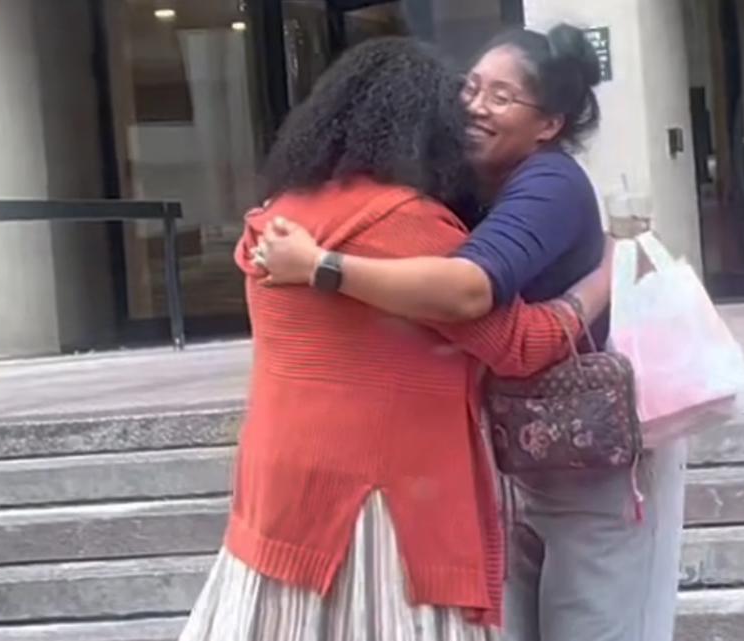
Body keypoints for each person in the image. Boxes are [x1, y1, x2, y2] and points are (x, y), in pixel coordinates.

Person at [255, 25, 686, 641]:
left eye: (503, 98)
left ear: (549, 125)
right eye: (472, 88)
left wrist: (322, 267)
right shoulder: (451, 188)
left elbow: (468, 291)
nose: (476, 107)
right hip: (518, 453)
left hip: (595, 455)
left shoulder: (549, 183)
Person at [178, 37, 613, 641]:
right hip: (379, 499)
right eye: (464, 98)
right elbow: (516, 341)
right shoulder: (403, 224)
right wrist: (599, 284)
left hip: (278, 488)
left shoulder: (282, 211)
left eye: (499, 95)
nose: (471, 114)